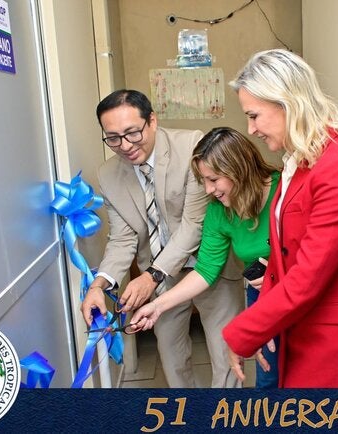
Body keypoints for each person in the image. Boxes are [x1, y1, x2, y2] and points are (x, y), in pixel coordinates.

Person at [222, 49, 338, 388]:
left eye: (254, 116)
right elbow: (282, 262)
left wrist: (243, 332)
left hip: (331, 341)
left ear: (286, 103)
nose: (251, 129)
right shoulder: (299, 165)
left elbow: (307, 277)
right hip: (300, 328)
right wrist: (264, 322)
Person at [80, 89, 244, 388]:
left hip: (210, 265)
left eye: (133, 133)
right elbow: (122, 239)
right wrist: (98, 286)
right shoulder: (108, 174)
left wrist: (151, 277)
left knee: (226, 356)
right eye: (113, 138)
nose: (125, 145)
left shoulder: (192, 147)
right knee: (171, 355)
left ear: (152, 121)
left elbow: (194, 224)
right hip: (161, 277)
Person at [130, 126, 281, 387]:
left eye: (214, 179)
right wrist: (157, 306)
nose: (209, 190)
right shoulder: (219, 211)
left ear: (238, 169)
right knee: (268, 376)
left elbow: (313, 254)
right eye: (204, 181)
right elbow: (206, 269)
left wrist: (278, 273)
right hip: (263, 296)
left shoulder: (284, 190)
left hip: (299, 290)